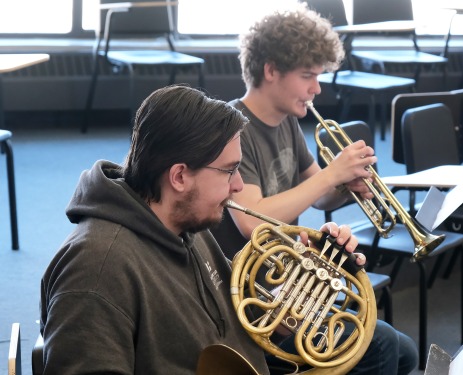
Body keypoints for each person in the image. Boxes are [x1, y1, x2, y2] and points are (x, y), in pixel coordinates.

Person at [39, 84, 366, 374]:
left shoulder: (187, 227)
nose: (239, 186)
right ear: (179, 177)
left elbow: (246, 328)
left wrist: (309, 280)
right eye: (229, 171)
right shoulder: (95, 271)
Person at [211, 4, 419, 375]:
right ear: (270, 70)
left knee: (406, 352)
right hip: (252, 298)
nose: (316, 88)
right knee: (383, 344)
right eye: (308, 75)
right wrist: (331, 174)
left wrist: (344, 185)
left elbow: (317, 193)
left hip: (289, 280)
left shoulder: (286, 122)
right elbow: (250, 220)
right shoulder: (235, 128)